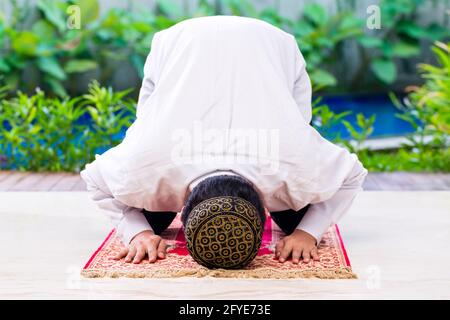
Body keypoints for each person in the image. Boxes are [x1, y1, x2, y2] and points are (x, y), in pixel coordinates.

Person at [80, 15, 367, 267]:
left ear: (180, 208)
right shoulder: (290, 158)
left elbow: (95, 179)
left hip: (259, 46)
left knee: (151, 219)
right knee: (294, 218)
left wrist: (138, 230)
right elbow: (352, 174)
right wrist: (307, 231)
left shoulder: (151, 161)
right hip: (202, 46)